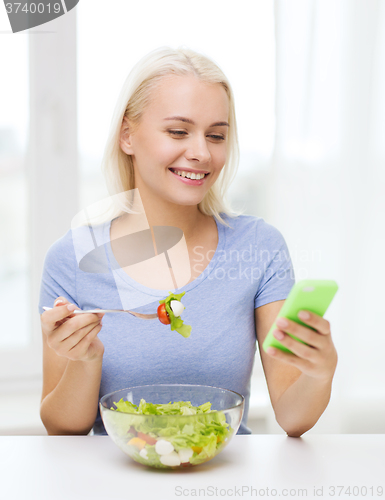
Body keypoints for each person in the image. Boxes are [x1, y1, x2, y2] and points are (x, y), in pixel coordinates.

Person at [39, 46, 338, 437]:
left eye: (216, 135)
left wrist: (320, 373)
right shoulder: (72, 258)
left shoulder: (259, 247)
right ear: (128, 135)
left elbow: (292, 417)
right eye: (178, 131)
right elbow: (61, 429)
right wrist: (84, 360)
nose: (201, 153)